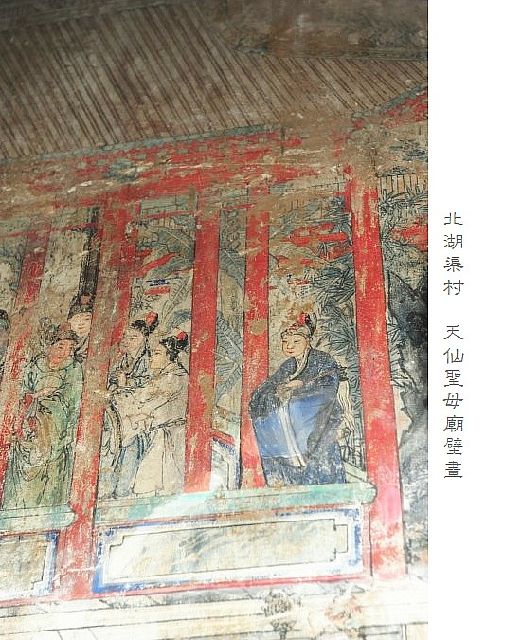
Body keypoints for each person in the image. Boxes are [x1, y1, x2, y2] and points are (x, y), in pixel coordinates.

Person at [249, 313, 346, 486]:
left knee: (296, 410)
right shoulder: (288, 365)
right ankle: (283, 470)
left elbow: (329, 383)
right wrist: (277, 391)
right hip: (287, 416)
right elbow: (269, 386)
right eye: (285, 342)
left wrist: (300, 385)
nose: (290, 346)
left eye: (296, 341)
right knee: (267, 419)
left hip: (317, 410)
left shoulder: (322, 359)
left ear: (308, 341)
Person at [2, 327, 83, 508]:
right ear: (49, 346)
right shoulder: (34, 366)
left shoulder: (74, 369)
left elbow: (72, 398)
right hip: (28, 427)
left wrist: (47, 401)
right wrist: (35, 397)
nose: (66, 352)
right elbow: (22, 393)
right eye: (61, 346)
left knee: (51, 477)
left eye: (71, 348)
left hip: (56, 430)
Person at [67, 294, 94, 363]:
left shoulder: (90, 340)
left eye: (86, 319)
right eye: (77, 319)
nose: (81, 323)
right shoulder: (67, 340)